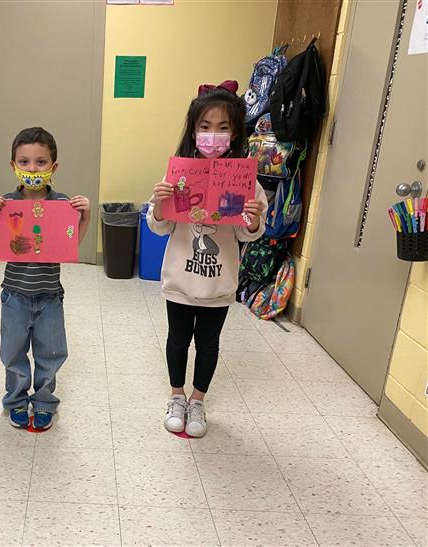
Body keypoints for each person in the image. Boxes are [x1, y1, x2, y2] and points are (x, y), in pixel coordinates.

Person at [147, 82, 267, 437]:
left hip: (219, 282)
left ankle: (198, 401)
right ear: (193, 130)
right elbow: (160, 227)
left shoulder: (246, 180)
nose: (212, 135)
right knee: (177, 340)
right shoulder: (177, 174)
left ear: (235, 133)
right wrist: (159, 202)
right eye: (204, 127)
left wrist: (255, 217)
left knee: (209, 344)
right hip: (180, 279)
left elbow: (248, 233)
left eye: (222, 128)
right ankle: (176, 396)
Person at [0, 127, 91, 430]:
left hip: (49, 295)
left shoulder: (61, 203)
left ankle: (44, 401)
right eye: (25, 162)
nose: (32, 169)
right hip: (15, 295)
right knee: (13, 352)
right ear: (13, 166)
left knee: (51, 352)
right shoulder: (7, 203)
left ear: (53, 166)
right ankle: (16, 400)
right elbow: (0, 248)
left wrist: (83, 217)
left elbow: (70, 245)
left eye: (41, 162)